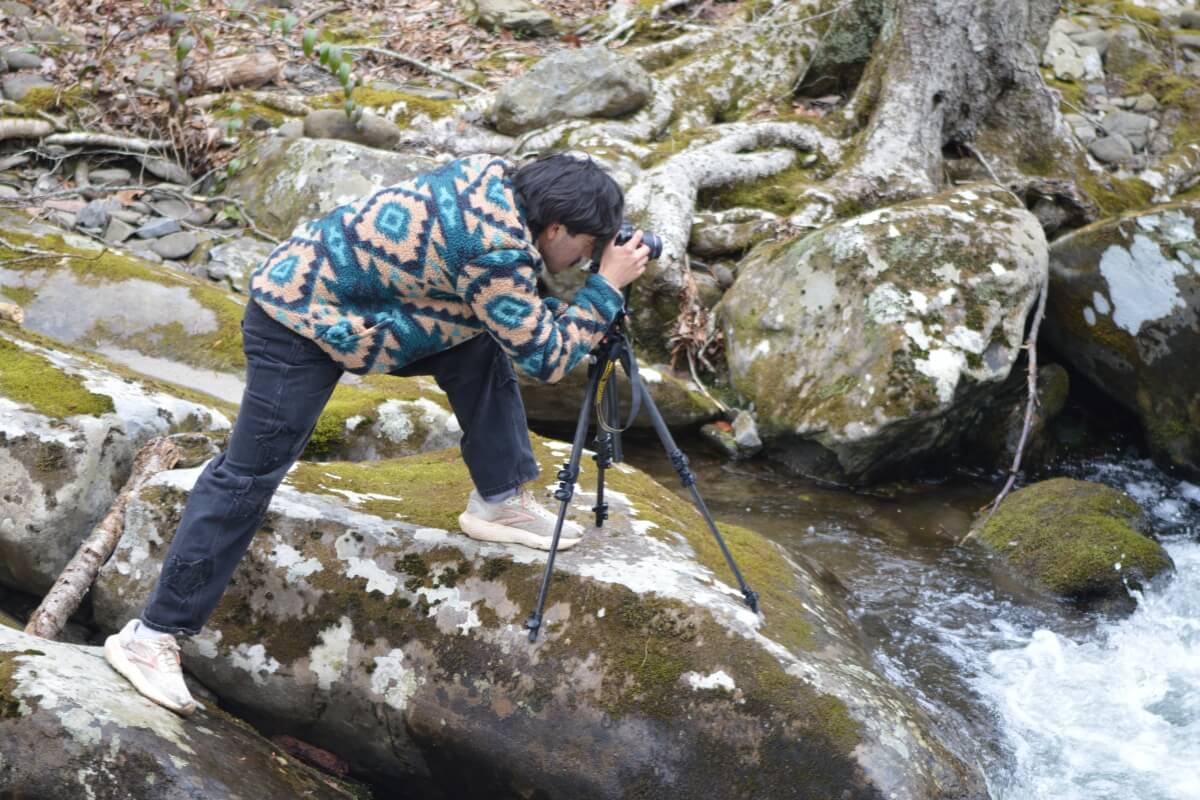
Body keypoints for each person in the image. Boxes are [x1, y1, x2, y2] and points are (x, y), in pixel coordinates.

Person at [103, 152, 650, 716]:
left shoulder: (494, 176)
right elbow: (546, 358)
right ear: (554, 227)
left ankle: (499, 500)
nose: (585, 260)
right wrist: (605, 290)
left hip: (378, 311)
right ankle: (151, 636)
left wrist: (591, 285)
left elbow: (510, 313)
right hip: (298, 319)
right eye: (586, 247)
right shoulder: (496, 250)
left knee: (483, 344)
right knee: (247, 477)